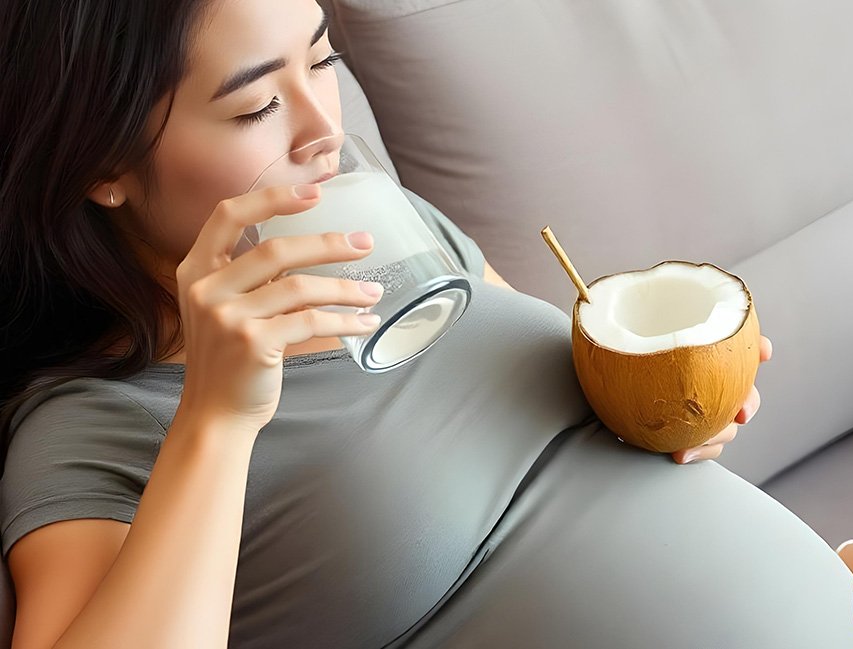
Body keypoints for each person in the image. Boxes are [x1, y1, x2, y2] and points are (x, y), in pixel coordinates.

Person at [0, 1, 773, 648]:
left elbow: (567, 439)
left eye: (322, 63)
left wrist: (668, 412)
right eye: (255, 106)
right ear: (104, 163)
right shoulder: (93, 427)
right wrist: (217, 419)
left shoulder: (397, 234)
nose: (321, 133)